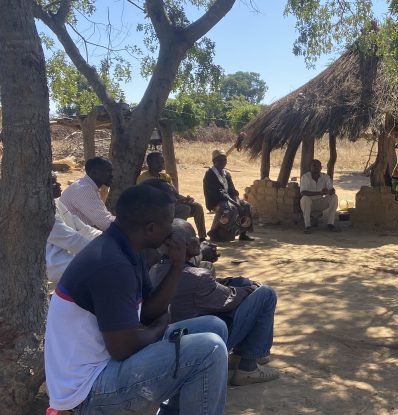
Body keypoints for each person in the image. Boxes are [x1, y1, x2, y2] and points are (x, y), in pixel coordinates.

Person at [44, 185, 228, 414]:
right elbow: (124, 348)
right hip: (86, 392)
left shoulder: (129, 247)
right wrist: (161, 327)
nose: (172, 229)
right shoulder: (111, 264)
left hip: (105, 367)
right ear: (150, 229)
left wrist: (178, 265)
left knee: (214, 327)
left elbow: (149, 312)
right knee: (209, 350)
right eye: (169, 222)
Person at [150, 219, 280, 386]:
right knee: (266, 294)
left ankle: (239, 357)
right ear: (181, 246)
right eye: (193, 237)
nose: (197, 240)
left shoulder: (154, 270)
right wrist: (250, 287)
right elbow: (230, 298)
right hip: (200, 345)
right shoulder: (197, 277)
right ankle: (248, 368)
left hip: (174, 344)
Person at [137, 151, 207, 241]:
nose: (161, 164)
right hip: (157, 209)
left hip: (172, 205)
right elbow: (151, 200)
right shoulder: (143, 179)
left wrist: (186, 199)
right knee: (185, 208)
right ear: (149, 163)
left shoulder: (165, 177)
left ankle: (202, 237)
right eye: (158, 162)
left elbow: (175, 194)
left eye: (162, 162)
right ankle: (175, 234)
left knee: (197, 207)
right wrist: (177, 202)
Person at [46, 172, 102, 283]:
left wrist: (110, 239)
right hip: (55, 265)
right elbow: (71, 240)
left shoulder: (57, 203)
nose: (58, 184)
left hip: (70, 257)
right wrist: (104, 250)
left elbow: (83, 229)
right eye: (53, 183)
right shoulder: (44, 213)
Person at [203, 149, 254, 242]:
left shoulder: (227, 174)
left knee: (246, 206)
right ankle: (216, 232)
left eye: (225, 160)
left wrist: (237, 201)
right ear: (214, 161)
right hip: (215, 200)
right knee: (230, 209)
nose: (223, 162)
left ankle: (243, 233)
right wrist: (235, 204)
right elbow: (218, 193)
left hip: (227, 198)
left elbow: (232, 190)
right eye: (220, 160)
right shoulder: (210, 174)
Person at [59, 156, 115, 230]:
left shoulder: (88, 186)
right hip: (68, 238)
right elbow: (106, 223)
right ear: (94, 172)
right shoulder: (83, 189)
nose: (112, 175)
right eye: (108, 171)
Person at [299, 159, 340, 234]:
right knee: (304, 199)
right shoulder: (305, 177)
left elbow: (332, 190)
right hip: (309, 203)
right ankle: (307, 226)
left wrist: (329, 191)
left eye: (318, 166)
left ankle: (330, 224)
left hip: (320, 203)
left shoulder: (325, 177)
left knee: (334, 197)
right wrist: (320, 192)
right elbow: (303, 192)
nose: (316, 167)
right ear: (310, 167)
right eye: (314, 165)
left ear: (321, 168)